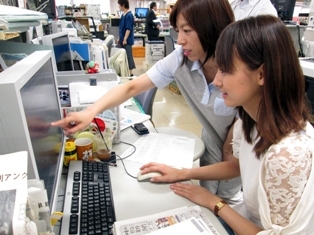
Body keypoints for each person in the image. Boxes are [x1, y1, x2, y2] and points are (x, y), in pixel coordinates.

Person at [51, 0, 242, 205]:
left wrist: (233, 138)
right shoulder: (181, 59)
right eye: (178, 31)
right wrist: (90, 112)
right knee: (210, 201)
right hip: (213, 141)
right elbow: (132, 87)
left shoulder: (241, 67)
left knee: (229, 201)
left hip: (239, 149)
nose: (180, 40)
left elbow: (237, 156)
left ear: (211, 28)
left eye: (187, 30)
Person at [139, 15, 314, 234]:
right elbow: (237, 165)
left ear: (262, 74)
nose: (216, 81)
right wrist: (182, 173)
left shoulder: (286, 155)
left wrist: (215, 202)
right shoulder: (249, 121)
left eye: (226, 70)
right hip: (246, 219)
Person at [117, 0, 136, 77]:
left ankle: (130, 73)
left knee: (128, 56)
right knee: (122, 56)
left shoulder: (129, 15)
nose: (118, 6)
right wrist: (119, 38)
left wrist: (125, 39)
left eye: (119, 5)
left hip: (127, 40)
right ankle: (124, 72)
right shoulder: (123, 15)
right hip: (122, 39)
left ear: (123, 5)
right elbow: (121, 28)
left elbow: (128, 29)